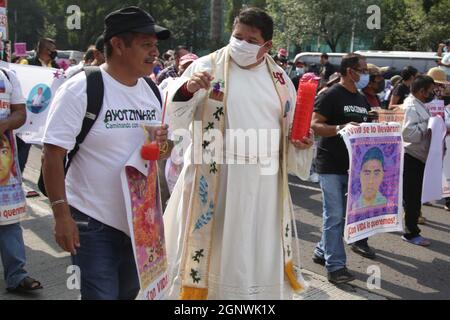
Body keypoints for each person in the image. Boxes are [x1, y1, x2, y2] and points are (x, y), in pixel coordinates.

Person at [164, 7, 314, 300]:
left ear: (267, 46)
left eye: (251, 40)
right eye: (237, 37)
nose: (241, 44)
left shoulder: (281, 81)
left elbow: (291, 131)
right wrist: (187, 90)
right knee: (215, 248)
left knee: (252, 250)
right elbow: (175, 118)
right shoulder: (206, 67)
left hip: (262, 184)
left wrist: (300, 142)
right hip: (215, 176)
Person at [41, 6, 172, 300]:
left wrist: (162, 145)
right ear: (117, 44)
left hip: (139, 225)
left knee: (129, 295)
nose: (155, 53)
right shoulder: (83, 88)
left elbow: (162, 150)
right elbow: (52, 154)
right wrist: (61, 215)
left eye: (155, 45)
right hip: (91, 223)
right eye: (145, 44)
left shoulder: (152, 92)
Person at [311, 53, 378, 285]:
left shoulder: (361, 98)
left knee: (342, 216)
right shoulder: (330, 94)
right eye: (363, 69)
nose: (366, 74)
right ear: (351, 71)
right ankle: (336, 267)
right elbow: (315, 125)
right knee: (335, 215)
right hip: (330, 165)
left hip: (354, 168)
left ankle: (322, 251)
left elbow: (366, 125)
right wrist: (341, 127)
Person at [0, 67, 42, 293]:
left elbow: (20, 114)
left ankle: (17, 276)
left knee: (8, 220)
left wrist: (4, 124)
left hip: (3, 165)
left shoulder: (6, 76)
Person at [402, 75, 436, 247]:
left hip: (421, 157)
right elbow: (408, 134)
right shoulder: (410, 107)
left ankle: (411, 228)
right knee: (412, 197)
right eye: (431, 91)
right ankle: (411, 233)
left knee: (414, 197)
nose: (433, 94)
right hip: (411, 157)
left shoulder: (421, 105)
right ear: (422, 91)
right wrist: (429, 126)